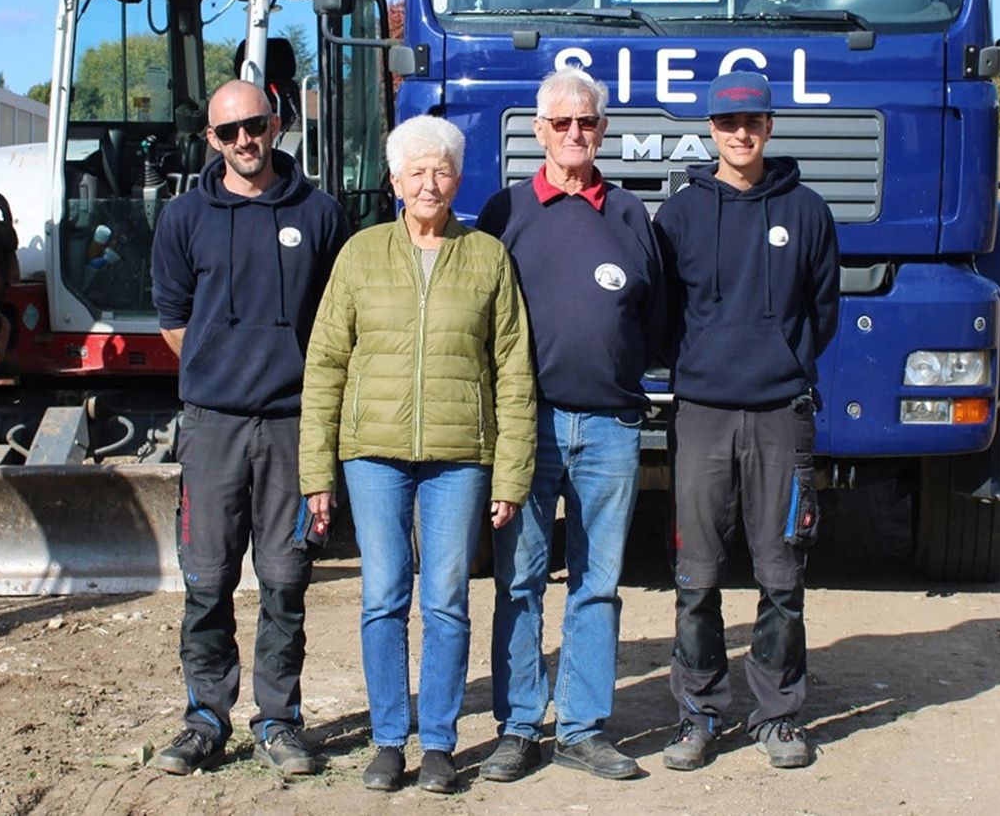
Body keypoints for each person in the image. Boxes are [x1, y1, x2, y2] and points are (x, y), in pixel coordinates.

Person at [299, 115, 536, 794]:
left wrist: (511, 472)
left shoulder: (487, 257)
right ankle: (387, 740)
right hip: (372, 453)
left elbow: (514, 370)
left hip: (460, 457)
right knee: (382, 596)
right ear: (395, 180)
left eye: (442, 170)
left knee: (446, 600)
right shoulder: (360, 254)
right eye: (417, 171)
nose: (430, 183)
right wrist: (317, 469)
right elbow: (326, 364)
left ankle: (437, 742)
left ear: (457, 180)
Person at [149, 79, 352, 777]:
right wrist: (222, 371)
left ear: (277, 124)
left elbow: (336, 323)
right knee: (207, 580)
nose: (245, 140)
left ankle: (279, 720)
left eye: (255, 125)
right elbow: (174, 320)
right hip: (213, 428)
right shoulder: (183, 218)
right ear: (211, 139)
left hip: (293, 427)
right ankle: (206, 719)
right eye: (229, 131)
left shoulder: (320, 214)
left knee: (285, 580)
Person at [474, 68, 666, 782]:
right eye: (562, 123)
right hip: (528, 428)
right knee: (519, 579)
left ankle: (582, 728)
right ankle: (519, 726)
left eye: (587, 122)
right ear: (539, 131)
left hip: (612, 426)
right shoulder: (505, 211)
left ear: (603, 131)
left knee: (598, 583)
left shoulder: (630, 215)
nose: (575, 133)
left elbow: (655, 318)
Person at [652, 71, 840, 770]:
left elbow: (823, 312)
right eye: (728, 123)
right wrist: (700, 368)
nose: (741, 133)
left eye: (752, 121)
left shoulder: (808, 211)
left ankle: (779, 715)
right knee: (696, 575)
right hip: (701, 414)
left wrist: (778, 362)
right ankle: (698, 713)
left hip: (780, 416)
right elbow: (662, 317)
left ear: (769, 126)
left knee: (782, 574)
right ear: (711, 129)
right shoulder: (679, 216)